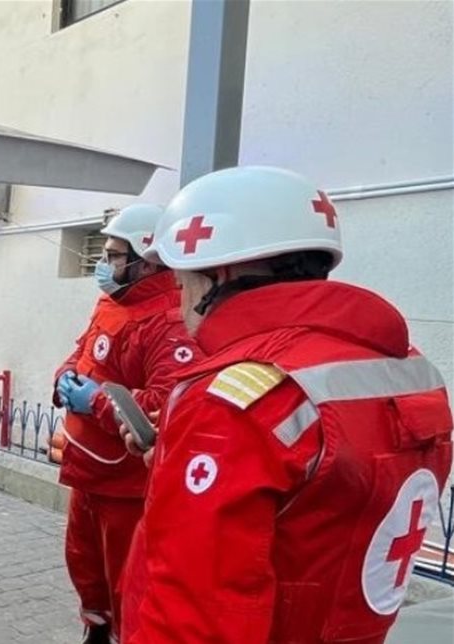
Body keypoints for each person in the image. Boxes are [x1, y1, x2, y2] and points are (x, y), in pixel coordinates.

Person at [119, 166, 452, 643]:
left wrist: (204, 443)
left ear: (218, 275)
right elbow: (324, 500)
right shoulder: (411, 370)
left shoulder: (238, 400)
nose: (180, 299)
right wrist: (179, 458)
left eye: (182, 282)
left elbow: (197, 618)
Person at [51, 204, 203, 644]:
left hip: (125, 485)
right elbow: (83, 350)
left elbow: (162, 406)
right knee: (85, 564)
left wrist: (95, 400)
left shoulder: (169, 322)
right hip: (88, 471)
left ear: (147, 261)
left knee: (125, 578)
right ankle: (96, 628)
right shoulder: (113, 301)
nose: (104, 263)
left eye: (114, 255)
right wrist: (64, 376)